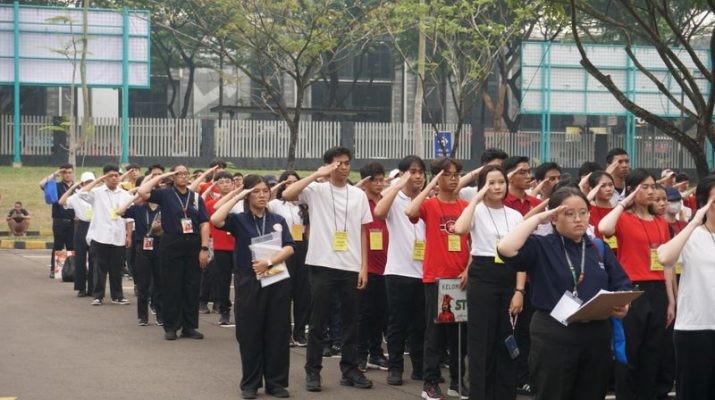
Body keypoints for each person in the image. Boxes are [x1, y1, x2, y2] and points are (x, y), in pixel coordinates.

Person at [497, 186, 632, 400]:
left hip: (595, 334)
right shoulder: (542, 245)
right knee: (553, 393)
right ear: (554, 218)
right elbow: (505, 248)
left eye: (583, 212)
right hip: (555, 333)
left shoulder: (597, 247)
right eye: (569, 214)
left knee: (592, 392)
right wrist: (537, 219)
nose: (578, 219)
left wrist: (623, 305)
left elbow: (622, 283)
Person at [281, 146, 373, 392]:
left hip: (351, 266)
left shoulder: (358, 195)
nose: (343, 167)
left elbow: (364, 231)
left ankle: (350, 369)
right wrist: (316, 174)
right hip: (322, 264)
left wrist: (364, 266)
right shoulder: (316, 190)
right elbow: (288, 194)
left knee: (351, 321)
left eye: (346, 163)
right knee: (318, 321)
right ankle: (313, 371)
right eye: (338, 163)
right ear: (328, 165)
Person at [211, 175, 295, 399]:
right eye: (256, 191)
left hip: (276, 277)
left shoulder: (278, 219)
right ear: (248, 195)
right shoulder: (239, 220)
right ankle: (250, 383)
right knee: (249, 333)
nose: (261, 195)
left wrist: (270, 261)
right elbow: (216, 219)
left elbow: (289, 247)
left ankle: (276, 383)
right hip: (249, 280)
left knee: (278, 331)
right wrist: (239, 194)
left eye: (265, 191)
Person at [598, 168, 675, 400]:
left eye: (653, 186)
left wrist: (671, 299)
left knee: (653, 350)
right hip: (631, 289)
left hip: (658, 289)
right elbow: (603, 229)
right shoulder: (622, 217)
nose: (651, 191)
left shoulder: (661, 222)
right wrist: (623, 203)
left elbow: (667, 262)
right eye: (645, 187)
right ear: (632, 190)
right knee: (629, 349)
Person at [453, 165, 525, 400]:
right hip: (483, 276)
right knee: (481, 341)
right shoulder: (475, 210)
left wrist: (519, 291)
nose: (496, 187)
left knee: (506, 340)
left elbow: (522, 257)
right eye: (490, 183)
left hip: (509, 275)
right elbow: (460, 229)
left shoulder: (515, 215)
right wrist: (476, 199)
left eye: (501, 182)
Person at [405, 157, 469, 400]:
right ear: (437, 177)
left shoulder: (465, 206)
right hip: (436, 278)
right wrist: (429, 189)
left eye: (456, 174)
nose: (453, 178)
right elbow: (410, 211)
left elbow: (475, 242)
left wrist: (468, 270)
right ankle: (430, 383)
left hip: (460, 279)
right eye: (447, 174)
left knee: (459, 336)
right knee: (435, 335)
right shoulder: (430, 205)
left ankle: (456, 382)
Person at [657, 177, 715, 400]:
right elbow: (664, 258)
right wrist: (693, 222)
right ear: (703, 204)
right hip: (696, 328)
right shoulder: (691, 237)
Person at [137, 165, 210, 341]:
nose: (183, 177)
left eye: (186, 174)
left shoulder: (196, 197)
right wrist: (166, 175)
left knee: (191, 286)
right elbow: (143, 191)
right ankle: (171, 326)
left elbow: (204, 223)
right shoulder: (165, 194)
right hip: (171, 242)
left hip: (192, 243)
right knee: (171, 286)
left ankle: (189, 326)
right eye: (179, 174)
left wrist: (204, 248)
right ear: (173, 176)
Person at [374, 155, 427, 386]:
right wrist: (397, 183)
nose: (417, 176)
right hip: (398, 271)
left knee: (421, 323)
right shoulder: (395, 198)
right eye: (412, 172)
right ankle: (395, 367)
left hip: (424, 272)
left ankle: (419, 366)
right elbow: (379, 212)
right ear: (404, 174)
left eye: (420, 172)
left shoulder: (427, 200)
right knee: (397, 323)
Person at [78, 164, 134, 306]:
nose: (114, 178)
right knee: (99, 267)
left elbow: (129, 218)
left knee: (117, 268)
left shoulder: (125, 194)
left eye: (116, 175)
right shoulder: (97, 192)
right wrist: (99, 180)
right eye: (110, 176)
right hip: (100, 236)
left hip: (118, 236)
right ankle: (98, 295)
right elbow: (81, 194)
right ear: (104, 177)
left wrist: (128, 236)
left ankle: (117, 296)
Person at [268, 170, 311, 346]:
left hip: (302, 248)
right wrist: (280, 185)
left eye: (294, 182)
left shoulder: (304, 205)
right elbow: (267, 199)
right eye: (287, 182)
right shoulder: (277, 204)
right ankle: (284, 333)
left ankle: (300, 332)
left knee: (302, 293)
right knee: (283, 292)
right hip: (283, 248)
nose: (291, 185)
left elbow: (308, 228)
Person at [356, 162, 389, 372]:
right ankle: (361, 355)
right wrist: (363, 267)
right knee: (363, 314)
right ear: (366, 181)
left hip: (388, 265)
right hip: (367, 266)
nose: (379, 184)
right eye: (374, 180)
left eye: (381, 179)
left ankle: (376, 353)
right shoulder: (360, 201)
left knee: (382, 313)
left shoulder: (388, 200)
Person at [119, 180, 164, 327]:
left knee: (159, 283)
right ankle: (142, 316)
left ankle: (160, 315)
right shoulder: (139, 209)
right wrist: (134, 196)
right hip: (142, 247)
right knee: (143, 284)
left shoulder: (164, 209)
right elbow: (120, 211)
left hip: (160, 246)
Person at [204, 171, 237, 325]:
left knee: (241, 280)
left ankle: (241, 309)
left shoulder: (241, 203)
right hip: (221, 246)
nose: (225, 184)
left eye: (228, 181)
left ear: (233, 184)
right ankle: (224, 310)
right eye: (221, 182)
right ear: (216, 185)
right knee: (222, 281)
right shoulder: (212, 205)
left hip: (238, 246)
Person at [58, 171, 96, 297]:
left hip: (95, 226)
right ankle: (81, 288)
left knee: (94, 259)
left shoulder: (98, 194)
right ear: (82, 183)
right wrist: (73, 187)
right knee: (80, 259)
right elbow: (61, 202)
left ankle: (93, 288)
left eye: (91, 182)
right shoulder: (76, 197)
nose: (89, 184)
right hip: (82, 226)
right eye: (86, 182)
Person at [39, 164, 75, 278]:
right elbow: (41, 184)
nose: (68, 175)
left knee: (72, 246)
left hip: (73, 220)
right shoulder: (56, 185)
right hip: (59, 219)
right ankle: (55, 270)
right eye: (65, 172)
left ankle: (72, 270)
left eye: (70, 172)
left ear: (73, 173)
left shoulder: (77, 187)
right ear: (62, 174)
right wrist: (55, 173)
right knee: (58, 245)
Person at [587, 171, 616, 251]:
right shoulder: (587, 210)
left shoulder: (618, 210)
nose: (608, 189)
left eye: (611, 185)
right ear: (592, 189)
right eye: (603, 186)